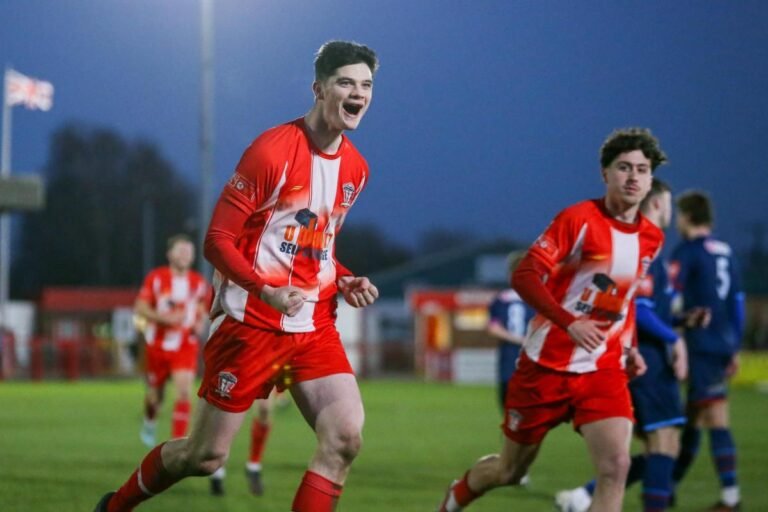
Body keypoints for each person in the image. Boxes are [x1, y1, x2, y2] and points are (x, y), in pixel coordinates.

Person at [94, 40, 380, 512]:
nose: (358, 93)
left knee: (345, 438)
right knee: (202, 456)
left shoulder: (357, 169)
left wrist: (344, 277)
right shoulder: (272, 152)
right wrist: (264, 290)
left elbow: (318, 245)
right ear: (318, 88)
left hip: (312, 326)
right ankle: (114, 507)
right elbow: (217, 240)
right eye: (346, 82)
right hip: (250, 324)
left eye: (366, 85)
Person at [437, 127, 668, 512]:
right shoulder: (578, 219)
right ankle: (457, 494)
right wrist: (567, 321)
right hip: (544, 368)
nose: (632, 177)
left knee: (616, 467)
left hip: (601, 369)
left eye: (641, 170)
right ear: (605, 174)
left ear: (649, 180)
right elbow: (524, 274)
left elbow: (623, 301)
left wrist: (629, 347)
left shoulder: (651, 238)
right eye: (623, 167)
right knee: (510, 471)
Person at [554, 179, 707, 512]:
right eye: (668, 203)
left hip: (646, 359)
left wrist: (680, 322)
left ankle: (585, 496)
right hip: (646, 360)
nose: (671, 211)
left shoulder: (649, 247)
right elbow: (640, 309)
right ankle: (597, 496)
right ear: (656, 204)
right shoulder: (642, 248)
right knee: (662, 442)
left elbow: (643, 308)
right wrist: (672, 338)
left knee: (660, 446)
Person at [668, 190, 745, 512]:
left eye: (678, 215)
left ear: (686, 216)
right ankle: (667, 487)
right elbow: (737, 303)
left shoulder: (687, 252)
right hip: (723, 343)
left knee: (714, 418)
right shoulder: (725, 251)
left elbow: (670, 293)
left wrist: (669, 327)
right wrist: (735, 346)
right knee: (693, 420)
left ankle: (731, 497)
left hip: (700, 344)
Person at [134, 234, 210, 447]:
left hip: (185, 344)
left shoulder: (198, 283)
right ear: (169, 254)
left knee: (185, 391)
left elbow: (204, 306)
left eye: (189, 251)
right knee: (155, 398)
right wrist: (163, 318)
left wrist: (200, 321)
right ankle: (150, 420)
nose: (186, 255)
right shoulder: (156, 278)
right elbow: (140, 307)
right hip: (157, 344)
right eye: (181, 250)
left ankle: (176, 444)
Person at [487, 250, 535, 410]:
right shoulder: (538, 298)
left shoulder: (501, 300)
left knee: (509, 416)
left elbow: (493, 327)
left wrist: (516, 338)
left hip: (509, 362)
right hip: (533, 362)